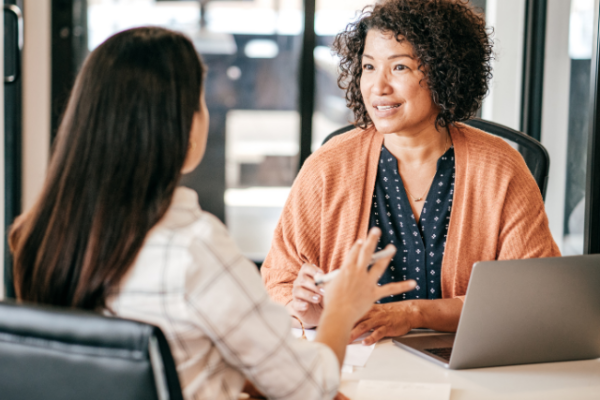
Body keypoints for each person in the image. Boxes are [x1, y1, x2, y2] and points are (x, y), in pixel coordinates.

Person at [8, 27, 416, 400]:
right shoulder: (194, 248)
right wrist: (341, 310)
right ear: (181, 127)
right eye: (201, 102)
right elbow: (310, 388)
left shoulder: (38, 235)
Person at [262, 0, 560, 346]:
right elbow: (279, 283)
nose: (378, 87)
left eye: (399, 67)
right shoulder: (328, 167)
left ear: (444, 71)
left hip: (465, 363)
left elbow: (531, 297)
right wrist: (307, 309)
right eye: (369, 67)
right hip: (356, 360)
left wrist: (414, 313)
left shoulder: (500, 168)